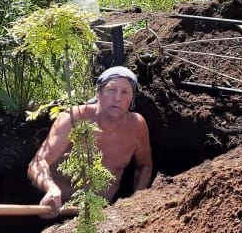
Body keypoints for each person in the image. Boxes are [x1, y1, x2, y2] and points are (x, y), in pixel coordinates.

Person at [28, 66, 153, 217]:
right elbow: (37, 162)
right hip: (57, 212)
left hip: (102, 217)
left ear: (132, 99)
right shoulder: (74, 118)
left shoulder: (137, 126)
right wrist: (51, 189)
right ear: (98, 92)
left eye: (125, 92)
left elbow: (144, 166)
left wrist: (137, 202)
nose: (117, 98)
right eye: (111, 89)